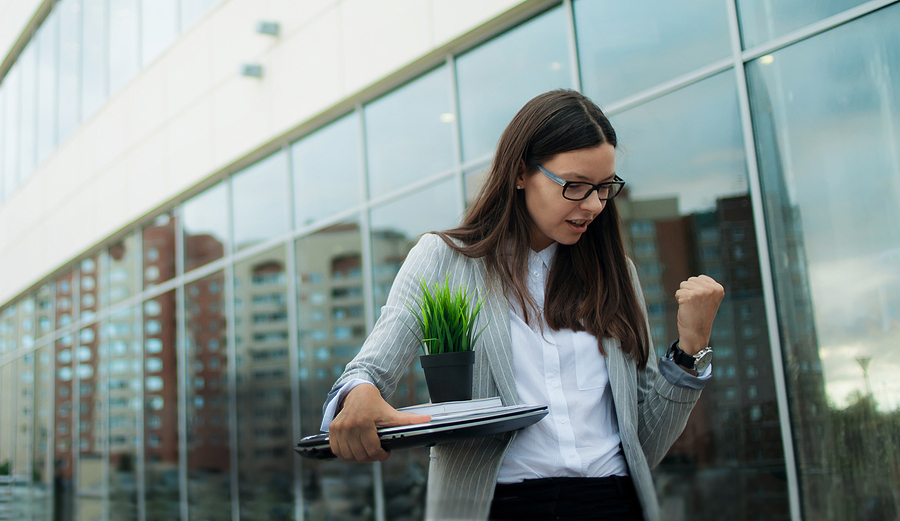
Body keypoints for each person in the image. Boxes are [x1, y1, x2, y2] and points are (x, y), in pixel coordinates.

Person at [320, 89, 724, 521]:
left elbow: (641, 443)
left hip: (613, 503)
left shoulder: (616, 273)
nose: (593, 206)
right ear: (519, 174)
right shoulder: (444, 259)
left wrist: (690, 348)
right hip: (497, 506)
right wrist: (358, 395)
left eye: (605, 188)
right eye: (574, 186)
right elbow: (368, 371)